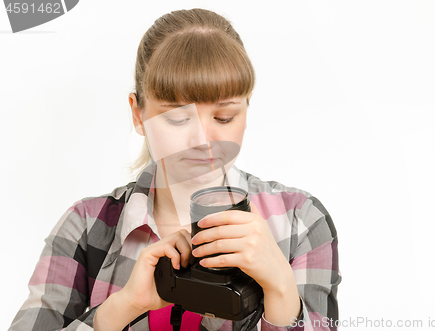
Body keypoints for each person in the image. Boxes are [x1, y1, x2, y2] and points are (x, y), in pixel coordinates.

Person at [8, 8, 340, 331]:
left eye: (224, 117)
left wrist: (281, 289)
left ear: (247, 108)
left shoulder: (300, 221)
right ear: (138, 115)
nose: (203, 141)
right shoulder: (84, 226)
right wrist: (120, 310)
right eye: (177, 118)